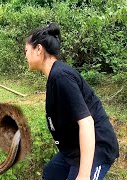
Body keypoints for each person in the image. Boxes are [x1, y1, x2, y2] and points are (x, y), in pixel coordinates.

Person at [24, 23, 119, 180]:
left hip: (97, 148)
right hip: (74, 151)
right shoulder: (55, 76)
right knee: (51, 174)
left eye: (26, 51)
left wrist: (83, 175)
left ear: (39, 50)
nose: (25, 56)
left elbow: (87, 122)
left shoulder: (61, 76)